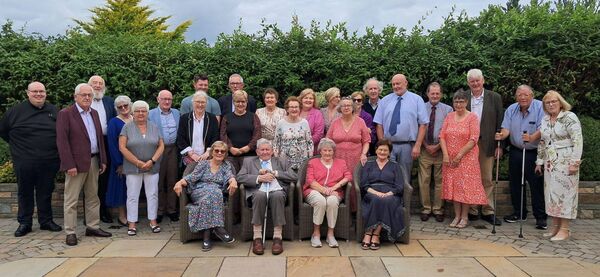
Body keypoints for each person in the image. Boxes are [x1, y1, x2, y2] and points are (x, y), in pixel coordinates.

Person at [0, 81, 62, 237]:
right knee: (25, 192)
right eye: (35, 91)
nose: (39, 94)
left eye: (42, 91)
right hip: (24, 161)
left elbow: (62, 134)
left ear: (46, 93)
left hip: (49, 160)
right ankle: (25, 222)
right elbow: (4, 132)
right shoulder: (15, 112)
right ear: (27, 93)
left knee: (46, 191)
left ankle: (46, 220)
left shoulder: (54, 111)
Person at [56, 83, 112, 246]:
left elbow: (99, 138)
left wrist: (102, 159)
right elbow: (62, 141)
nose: (87, 97)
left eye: (90, 95)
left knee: (93, 196)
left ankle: (93, 226)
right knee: (71, 199)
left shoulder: (94, 113)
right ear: (76, 97)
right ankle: (70, 231)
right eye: (83, 95)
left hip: (94, 161)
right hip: (75, 163)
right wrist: (68, 164)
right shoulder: (66, 114)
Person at [496, 85, 547, 229]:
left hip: (533, 152)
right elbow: (506, 128)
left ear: (532, 95)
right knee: (516, 183)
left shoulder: (539, 107)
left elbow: (543, 128)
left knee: (536, 184)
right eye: (519, 95)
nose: (522, 98)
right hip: (516, 150)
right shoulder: (512, 109)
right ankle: (519, 212)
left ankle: (540, 217)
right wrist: (502, 135)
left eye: (525, 95)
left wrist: (531, 137)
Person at [535, 90, 583, 241]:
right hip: (551, 162)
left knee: (565, 194)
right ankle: (555, 227)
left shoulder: (569, 117)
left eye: (553, 101)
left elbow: (577, 140)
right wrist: (539, 161)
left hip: (566, 160)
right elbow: (543, 141)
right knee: (552, 194)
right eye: (547, 103)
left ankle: (565, 229)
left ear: (560, 102)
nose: (551, 105)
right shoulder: (545, 119)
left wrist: (575, 162)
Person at [174, 141, 238, 251]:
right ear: (212, 152)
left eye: (222, 151)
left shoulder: (226, 165)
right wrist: (179, 182)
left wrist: (233, 181)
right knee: (215, 193)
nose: (219, 153)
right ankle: (218, 228)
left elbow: (230, 176)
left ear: (225, 154)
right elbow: (192, 177)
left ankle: (206, 237)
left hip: (214, 194)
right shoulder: (203, 164)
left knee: (213, 195)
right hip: (199, 191)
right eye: (216, 150)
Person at [237, 139, 298, 255]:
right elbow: (239, 177)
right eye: (262, 150)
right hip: (257, 191)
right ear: (257, 152)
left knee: (278, 195)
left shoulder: (281, 161)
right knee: (259, 196)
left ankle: (277, 237)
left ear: (272, 151)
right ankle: (257, 237)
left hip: (276, 190)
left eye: (267, 149)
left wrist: (276, 173)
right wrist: (258, 178)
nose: (265, 152)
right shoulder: (249, 162)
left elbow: (294, 177)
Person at [440, 90, 488, 229]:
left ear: (466, 102)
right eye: (456, 101)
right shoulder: (449, 116)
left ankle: (465, 217)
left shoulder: (472, 117)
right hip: (450, 160)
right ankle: (457, 216)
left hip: (466, 159)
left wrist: (459, 155)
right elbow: (442, 136)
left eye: (461, 101)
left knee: (464, 188)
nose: (459, 104)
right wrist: (445, 154)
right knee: (454, 187)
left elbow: (473, 139)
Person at [119, 100, 165, 236]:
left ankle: (153, 221)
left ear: (147, 113)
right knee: (132, 195)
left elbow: (161, 145)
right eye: (138, 111)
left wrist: (152, 160)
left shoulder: (154, 126)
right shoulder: (127, 127)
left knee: (153, 194)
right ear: (133, 112)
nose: (141, 113)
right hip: (133, 167)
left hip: (152, 167)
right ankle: (132, 223)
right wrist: (138, 162)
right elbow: (122, 147)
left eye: (143, 111)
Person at [465, 69, 504, 226]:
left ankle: (488, 210)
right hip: (468, 144)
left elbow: (500, 122)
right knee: (470, 177)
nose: (475, 83)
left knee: (486, 177)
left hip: (487, 143)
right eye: (472, 81)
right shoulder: (464, 97)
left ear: (483, 80)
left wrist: (500, 146)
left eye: (477, 80)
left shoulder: (494, 97)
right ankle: (473, 209)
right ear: (468, 83)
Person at [373, 74, 429, 185]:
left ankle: (404, 202)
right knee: (387, 175)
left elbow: (423, 124)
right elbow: (379, 124)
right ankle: (390, 201)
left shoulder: (417, 100)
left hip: (407, 146)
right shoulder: (385, 100)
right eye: (393, 84)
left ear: (406, 83)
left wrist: (417, 145)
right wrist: (383, 145)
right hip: (389, 146)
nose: (395, 86)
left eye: (398, 83)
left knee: (405, 176)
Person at [303, 138, 352, 248]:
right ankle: (316, 234)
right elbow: (310, 181)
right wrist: (325, 190)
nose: (327, 153)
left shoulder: (341, 162)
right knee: (320, 201)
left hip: (335, 192)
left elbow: (348, 176)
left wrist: (334, 187)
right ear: (320, 151)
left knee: (332, 201)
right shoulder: (312, 162)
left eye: (330, 150)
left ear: (334, 151)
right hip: (314, 191)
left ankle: (330, 234)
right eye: (325, 150)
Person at [326, 97, 370, 212]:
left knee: (354, 184)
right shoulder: (335, 122)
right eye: (343, 105)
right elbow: (328, 141)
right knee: (338, 183)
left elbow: (366, 141)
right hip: (337, 159)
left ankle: (355, 212)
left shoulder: (360, 122)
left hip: (355, 159)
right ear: (340, 108)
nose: (346, 107)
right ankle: (340, 210)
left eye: (349, 105)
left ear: (353, 108)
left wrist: (364, 154)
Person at [359, 139, 405, 250]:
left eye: (385, 150)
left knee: (385, 200)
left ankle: (374, 234)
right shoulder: (368, 165)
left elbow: (399, 186)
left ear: (389, 152)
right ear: (376, 150)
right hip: (371, 193)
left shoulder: (395, 166)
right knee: (376, 199)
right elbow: (364, 185)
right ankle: (370, 233)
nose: (382, 152)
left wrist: (388, 193)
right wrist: (377, 193)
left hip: (391, 194)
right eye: (380, 149)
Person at [417, 82, 453, 222]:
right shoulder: (421, 108)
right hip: (425, 149)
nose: (435, 96)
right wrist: (425, 145)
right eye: (432, 93)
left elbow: (449, 131)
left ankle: (438, 209)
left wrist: (438, 146)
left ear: (441, 94)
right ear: (427, 94)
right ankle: (426, 208)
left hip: (441, 150)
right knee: (424, 181)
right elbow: (417, 127)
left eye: (437, 93)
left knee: (440, 181)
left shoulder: (448, 110)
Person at [149, 90, 181, 223]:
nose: (167, 102)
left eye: (169, 99)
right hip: (157, 150)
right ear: (158, 99)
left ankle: (172, 210)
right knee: (159, 180)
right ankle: (160, 210)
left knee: (172, 180)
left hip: (173, 149)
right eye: (164, 99)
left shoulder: (177, 113)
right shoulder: (151, 114)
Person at [89, 75, 116, 224]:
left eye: (101, 83)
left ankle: (103, 211)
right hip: (89, 144)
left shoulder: (109, 102)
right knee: (89, 180)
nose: (98, 86)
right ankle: (90, 214)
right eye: (95, 83)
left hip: (106, 143)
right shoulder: (84, 102)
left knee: (104, 179)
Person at [177, 91, 220, 173]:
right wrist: (191, 154)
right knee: (188, 180)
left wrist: (207, 152)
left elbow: (215, 137)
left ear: (206, 103)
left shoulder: (212, 118)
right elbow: (180, 138)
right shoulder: (185, 118)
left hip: (207, 157)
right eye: (198, 102)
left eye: (203, 102)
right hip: (189, 158)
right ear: (193, 103)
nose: (200, 105)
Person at [105, 95, 133, 226]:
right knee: (121, 189)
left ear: (130, 105)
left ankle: (133, 215)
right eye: (120, 107)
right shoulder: (113, 122)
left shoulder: (135, 119)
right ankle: (122, 216)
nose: (123, 108)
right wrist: (119, 164)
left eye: (125, 105)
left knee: (132, 189)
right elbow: (112, 144)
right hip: (121, 161)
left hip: (136, 160)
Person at [220, 90, 261, 172]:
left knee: (248, 180)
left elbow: (257, 135)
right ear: (233, 102)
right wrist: (230, 148)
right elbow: (223, 135)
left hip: (249, 156)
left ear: (247, 102)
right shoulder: (226, 117)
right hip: (230, 156)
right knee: (231, 179)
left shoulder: (253, 117)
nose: (240, 104)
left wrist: (247, 147)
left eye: (243, 101)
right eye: (237, 101)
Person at [273, 96, 314, 170]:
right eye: (291, 107)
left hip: (302, 160)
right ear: (287, 109)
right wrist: (276, 158)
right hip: (285, 161)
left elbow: (309, 142)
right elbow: (276, 142)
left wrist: (310, 158)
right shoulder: (281, 123)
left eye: (296, 107)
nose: (294, 109)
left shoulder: (304, 122)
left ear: (299, 108)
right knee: (286, 180)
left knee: (300, 181)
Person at [299, 88, 325, 154]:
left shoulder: (317, 113)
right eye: (306, 98)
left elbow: (319, 134)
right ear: (301, 99)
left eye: (311, 98)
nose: (308, 100)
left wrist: (304, 145)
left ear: (314, 101)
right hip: (294, 149)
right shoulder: (296, 111)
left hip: (311, 150)